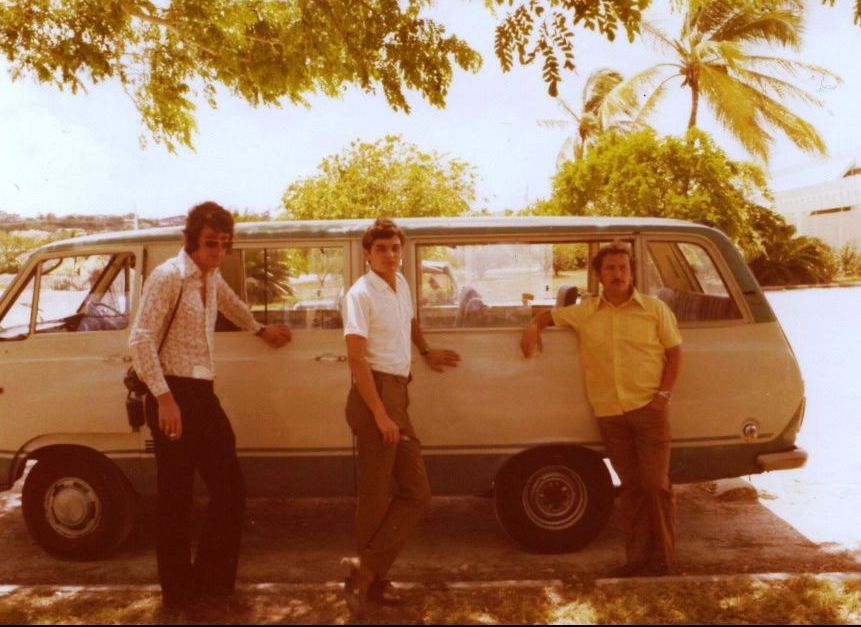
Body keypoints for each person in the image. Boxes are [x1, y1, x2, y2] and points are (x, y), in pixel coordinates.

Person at [129, 201, 292, 609]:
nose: (217, 252)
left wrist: (260, 329)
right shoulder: (169, 276)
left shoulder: (211, 276)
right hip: (171, 394)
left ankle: (211, 582)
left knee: (230, 488)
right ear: (190, 241)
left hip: (202, 394)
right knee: (176, 497)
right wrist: (164, 398)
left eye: (224, 244)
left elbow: (233, 305)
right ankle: (177, 596)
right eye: (209, 244)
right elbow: (141, 339)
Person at [520, 243, 682, 577]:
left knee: (655, 484)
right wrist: (533, 327)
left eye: (623, 267)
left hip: (649, 409)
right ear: (598, 274)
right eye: (610, 269)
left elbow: (675, 354)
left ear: (631, 271)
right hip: (610, 413)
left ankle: (664, 561)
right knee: (632, 488)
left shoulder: (654, 309)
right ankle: (636, 561)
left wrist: (662, 397)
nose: (618, 274)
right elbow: (548, 315)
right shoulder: (586, 311)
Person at [340, 218, 461, 616]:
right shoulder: (360, 294)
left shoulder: (401, 282)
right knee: (375, 496)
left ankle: (367, 569)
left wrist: (425, 351)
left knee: (417, 492)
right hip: (374, 395)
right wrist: (380, 415)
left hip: (397, 394)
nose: (390, 255)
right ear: (367, 254)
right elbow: (356, 360)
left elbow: (408, 321)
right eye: (382, 249)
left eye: (395, 248)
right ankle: (370, 585)